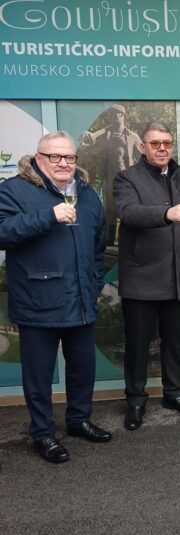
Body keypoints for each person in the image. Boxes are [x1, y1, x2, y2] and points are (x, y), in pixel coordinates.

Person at [0, 132, 110, 463]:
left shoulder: (86, 193)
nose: (64, 163)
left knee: (82, 367)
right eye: (55, 157)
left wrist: (94, 283)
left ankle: (79, 420)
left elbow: (99, 245)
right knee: (38, 376)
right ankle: (43, 433)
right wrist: (49, 215)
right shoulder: (14, 190)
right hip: (38, 300)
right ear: (38, 158)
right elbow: (3, 233)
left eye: (70, 157)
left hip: (80, 299)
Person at [114, 121, 180, 431]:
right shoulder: (127, 178)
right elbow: (128, 212)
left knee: (174, 342)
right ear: (143, 147)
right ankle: (136, 401)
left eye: (167, 143)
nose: (162, 148)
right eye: (155, 143)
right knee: (138, 345)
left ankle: (173, 394)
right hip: (141, 278)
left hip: (176, 276)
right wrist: (166, 213)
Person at [79, 104, 142, 244]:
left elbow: (144, 157)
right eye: (111, 114)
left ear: (122, 115)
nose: (113, 117)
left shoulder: (132, 136)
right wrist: (87, 135)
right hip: (109, 178)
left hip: (127, 181)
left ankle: (127, 241)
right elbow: (89, 139)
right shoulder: (106, 134)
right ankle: (108, 242)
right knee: (109, 211)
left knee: (127, 209)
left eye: (115, 114)